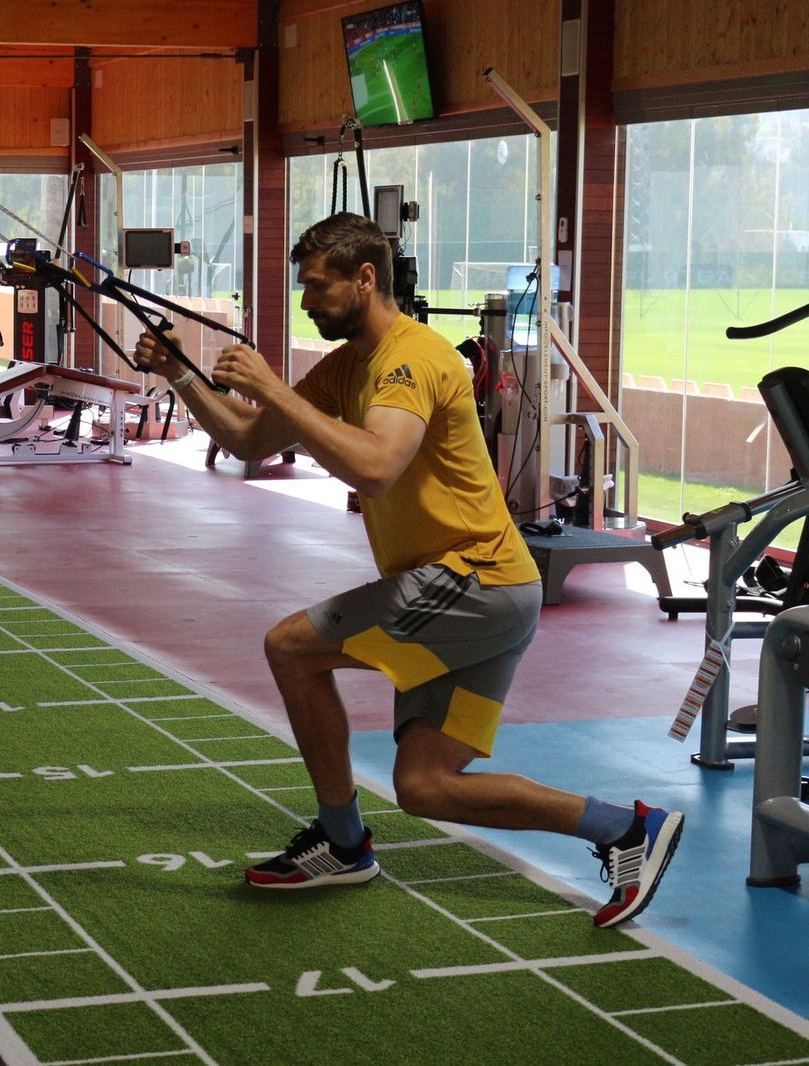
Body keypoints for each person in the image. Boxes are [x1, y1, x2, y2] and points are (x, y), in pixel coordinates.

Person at [134, 212, 681, 928]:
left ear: (366, 279)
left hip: (472, 580)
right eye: (304, 289)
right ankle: (625, 829)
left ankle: (340, 840)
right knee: (426, 787)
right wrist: (181, 374)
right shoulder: (344, 367)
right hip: (487, 592)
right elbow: (244, 440)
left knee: (291, 648)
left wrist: (276, 389)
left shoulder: (412, 359)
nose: (307, 302)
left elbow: (376, 467)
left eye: (319, 288)